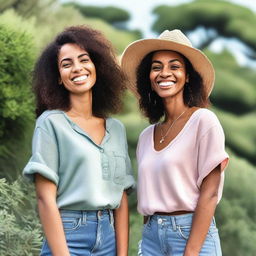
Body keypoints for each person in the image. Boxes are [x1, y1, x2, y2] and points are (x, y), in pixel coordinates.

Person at [23, 25, 135, 256]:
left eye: (84, 60)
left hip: (109, 238)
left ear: (97, 67)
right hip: (68, 235)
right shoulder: (51, 123)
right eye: (66, 64)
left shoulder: (116, 129)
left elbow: (121, 198)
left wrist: (122, 254)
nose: (77, 68)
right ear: (58, 79)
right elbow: (45, 198)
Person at [121, 29, 229, 256]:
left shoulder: (203, 121)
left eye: (174, 66)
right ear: (148, 78)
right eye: (156, 67)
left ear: (188, 75)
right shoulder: (146, 136)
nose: (164, 73)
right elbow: (150, 197)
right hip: (151, 239)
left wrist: (190, 251)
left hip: (191, 236)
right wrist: (146, 242)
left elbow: (209, 194)